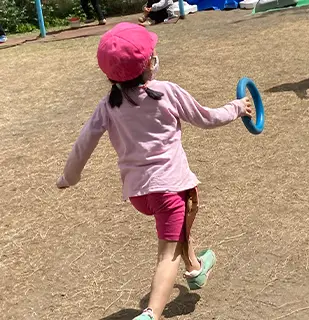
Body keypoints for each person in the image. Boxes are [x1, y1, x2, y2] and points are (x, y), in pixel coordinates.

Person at [56, 22, 252, 320]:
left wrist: (68, 178)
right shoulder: (166, 92)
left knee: (181, 216)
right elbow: (207, 118)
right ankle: (151, 314)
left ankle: (196, 268)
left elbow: (83, 144)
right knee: (166, 254)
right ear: (149, 63)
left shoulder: (109, 105)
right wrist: (237, 107)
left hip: (139, 194)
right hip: (169, 188)